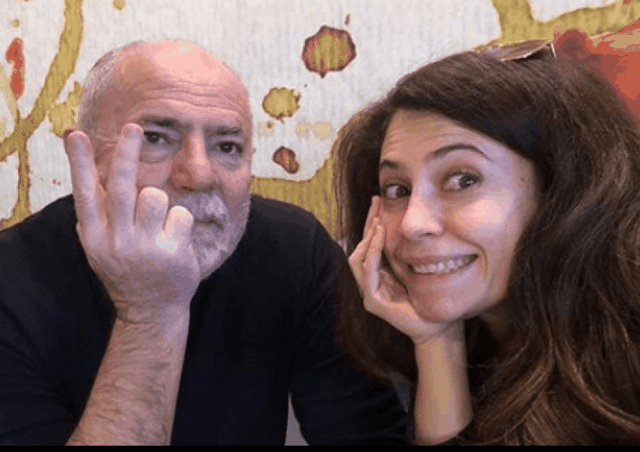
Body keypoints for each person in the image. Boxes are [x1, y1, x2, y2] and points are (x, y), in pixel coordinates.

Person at [0, 40, 408, 445]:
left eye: (227, 147)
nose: (198, 175)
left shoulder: (294, 250)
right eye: (156, 138)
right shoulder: (11, 281)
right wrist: (150, 312)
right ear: (84, 156)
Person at [332, 40, 640, 445]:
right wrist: (436, 342)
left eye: (464, 180)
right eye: (397, 189)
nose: (412, 224)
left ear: (560, 192)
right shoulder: (467, 340)